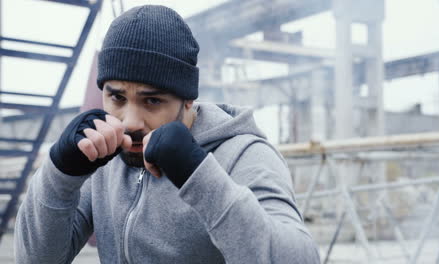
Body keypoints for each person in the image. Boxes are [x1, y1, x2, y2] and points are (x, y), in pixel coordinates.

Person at [14, 5, 320, 264]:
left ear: (188, 99)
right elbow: (36, 258)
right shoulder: (105, 158)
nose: (131, 122)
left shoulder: (244, 154)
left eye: (152, 101)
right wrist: (59, 172)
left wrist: (198, 175)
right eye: (117, 98)